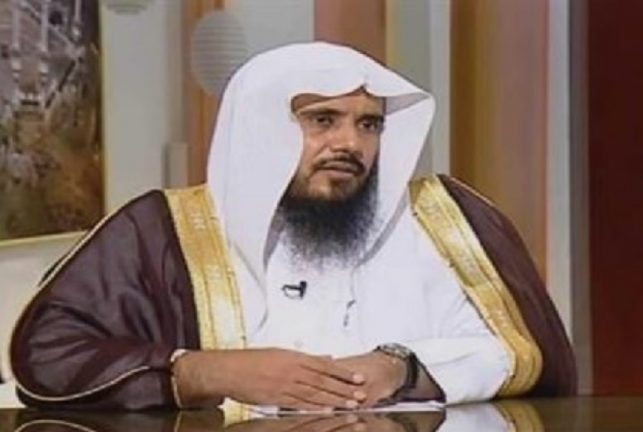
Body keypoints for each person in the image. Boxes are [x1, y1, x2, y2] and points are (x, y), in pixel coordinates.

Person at [10, 42, 575, 412]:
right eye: (322, 120)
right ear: (262, 129)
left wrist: (400, 368)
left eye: (369, 125)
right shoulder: (161, 230)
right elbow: (49, 356)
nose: (351, 144)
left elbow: (516, 350)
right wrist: (211, 373)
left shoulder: (439, 219)